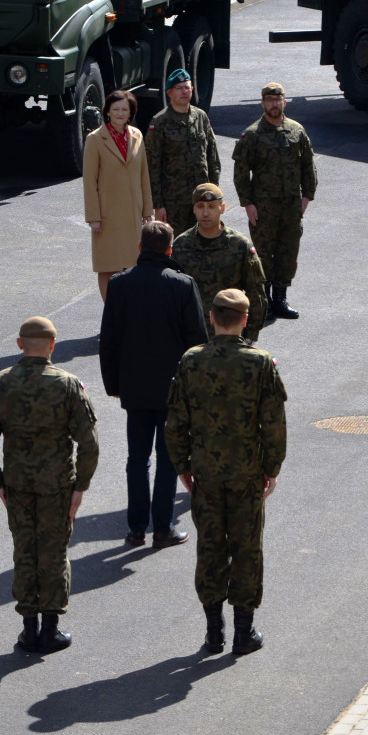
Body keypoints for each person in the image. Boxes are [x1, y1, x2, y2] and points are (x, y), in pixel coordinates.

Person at [165, 289, 287, 656]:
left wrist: (183, 466)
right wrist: (271, 468)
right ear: (245, 320)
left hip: (206, 472)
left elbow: (175, 422)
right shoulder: (260, 363)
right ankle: (243, 633)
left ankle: (214, 632)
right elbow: (274, 424)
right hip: (247, 473)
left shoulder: (191, 361)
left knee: (210, 547)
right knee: (247, 548)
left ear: (212, 317)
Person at [0, 317, 99, 653]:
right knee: (54, 554)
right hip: (57, 487)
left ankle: (28, 630)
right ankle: (51, 630)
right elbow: (89, 443)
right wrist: (80, 486)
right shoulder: (68, 385)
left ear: (19, 344)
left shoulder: (1, 384)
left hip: (18, 485)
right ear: (53, 345)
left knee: (24, 551)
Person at [99, 221, 208, 549]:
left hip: (133, 386)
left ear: (139, 248)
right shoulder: (183, 285)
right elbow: (197, 342)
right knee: (168, 457)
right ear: (170, 249)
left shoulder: (119, 284)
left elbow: (109, 339)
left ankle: (135, 529)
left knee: (137, 458)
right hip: (173, 390)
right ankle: (162, 528)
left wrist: (113, 383)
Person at [233, 82, 318, 320]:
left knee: (288, 252)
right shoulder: (252, 134)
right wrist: (248, 203)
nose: (274, 104)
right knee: (263, 254)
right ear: (263, 103)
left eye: (278, 100)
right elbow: (241, 173)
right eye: (269, 100)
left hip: (291, 206)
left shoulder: (296, 131)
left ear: (285, 102)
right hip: (263, 207)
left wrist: (307, 196)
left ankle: (280, 299)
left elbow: (308, 166)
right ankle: (265, 302)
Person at [171, 183, 267, 344]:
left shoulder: (239, 245)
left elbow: (256, 293)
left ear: (222, 208)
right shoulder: (181, 245)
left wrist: (250, 336)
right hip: (190, 336)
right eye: (200, 206)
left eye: (212, 206)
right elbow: (172, 295)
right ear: (193, 209)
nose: (205, 213)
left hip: (229, 336)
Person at [83, 89, 153, 301]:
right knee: (107, 266)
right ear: (107, 112)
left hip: (132, 215)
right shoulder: (95, 139)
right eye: (116, 109)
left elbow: (144, 175)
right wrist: (93, 217)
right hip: (107, 216)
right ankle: (111, 311)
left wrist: (147, 211)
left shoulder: (137, 135)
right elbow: (89, 181)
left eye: (125, 109)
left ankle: (129, 311)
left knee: (133, 265)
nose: (120, 114)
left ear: (131, 112)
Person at [145, 68, 221, 238]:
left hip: (202, 198)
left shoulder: (200, 117)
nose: (184, 92)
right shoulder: (160, 122)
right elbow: (152, 166)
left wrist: (214, 192)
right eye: (179, 88)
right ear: (169, 92)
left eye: (187, 88)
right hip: (174, 202)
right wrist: (158, 205)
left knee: (204, 241)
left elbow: (212, 157)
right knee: (176, 245)